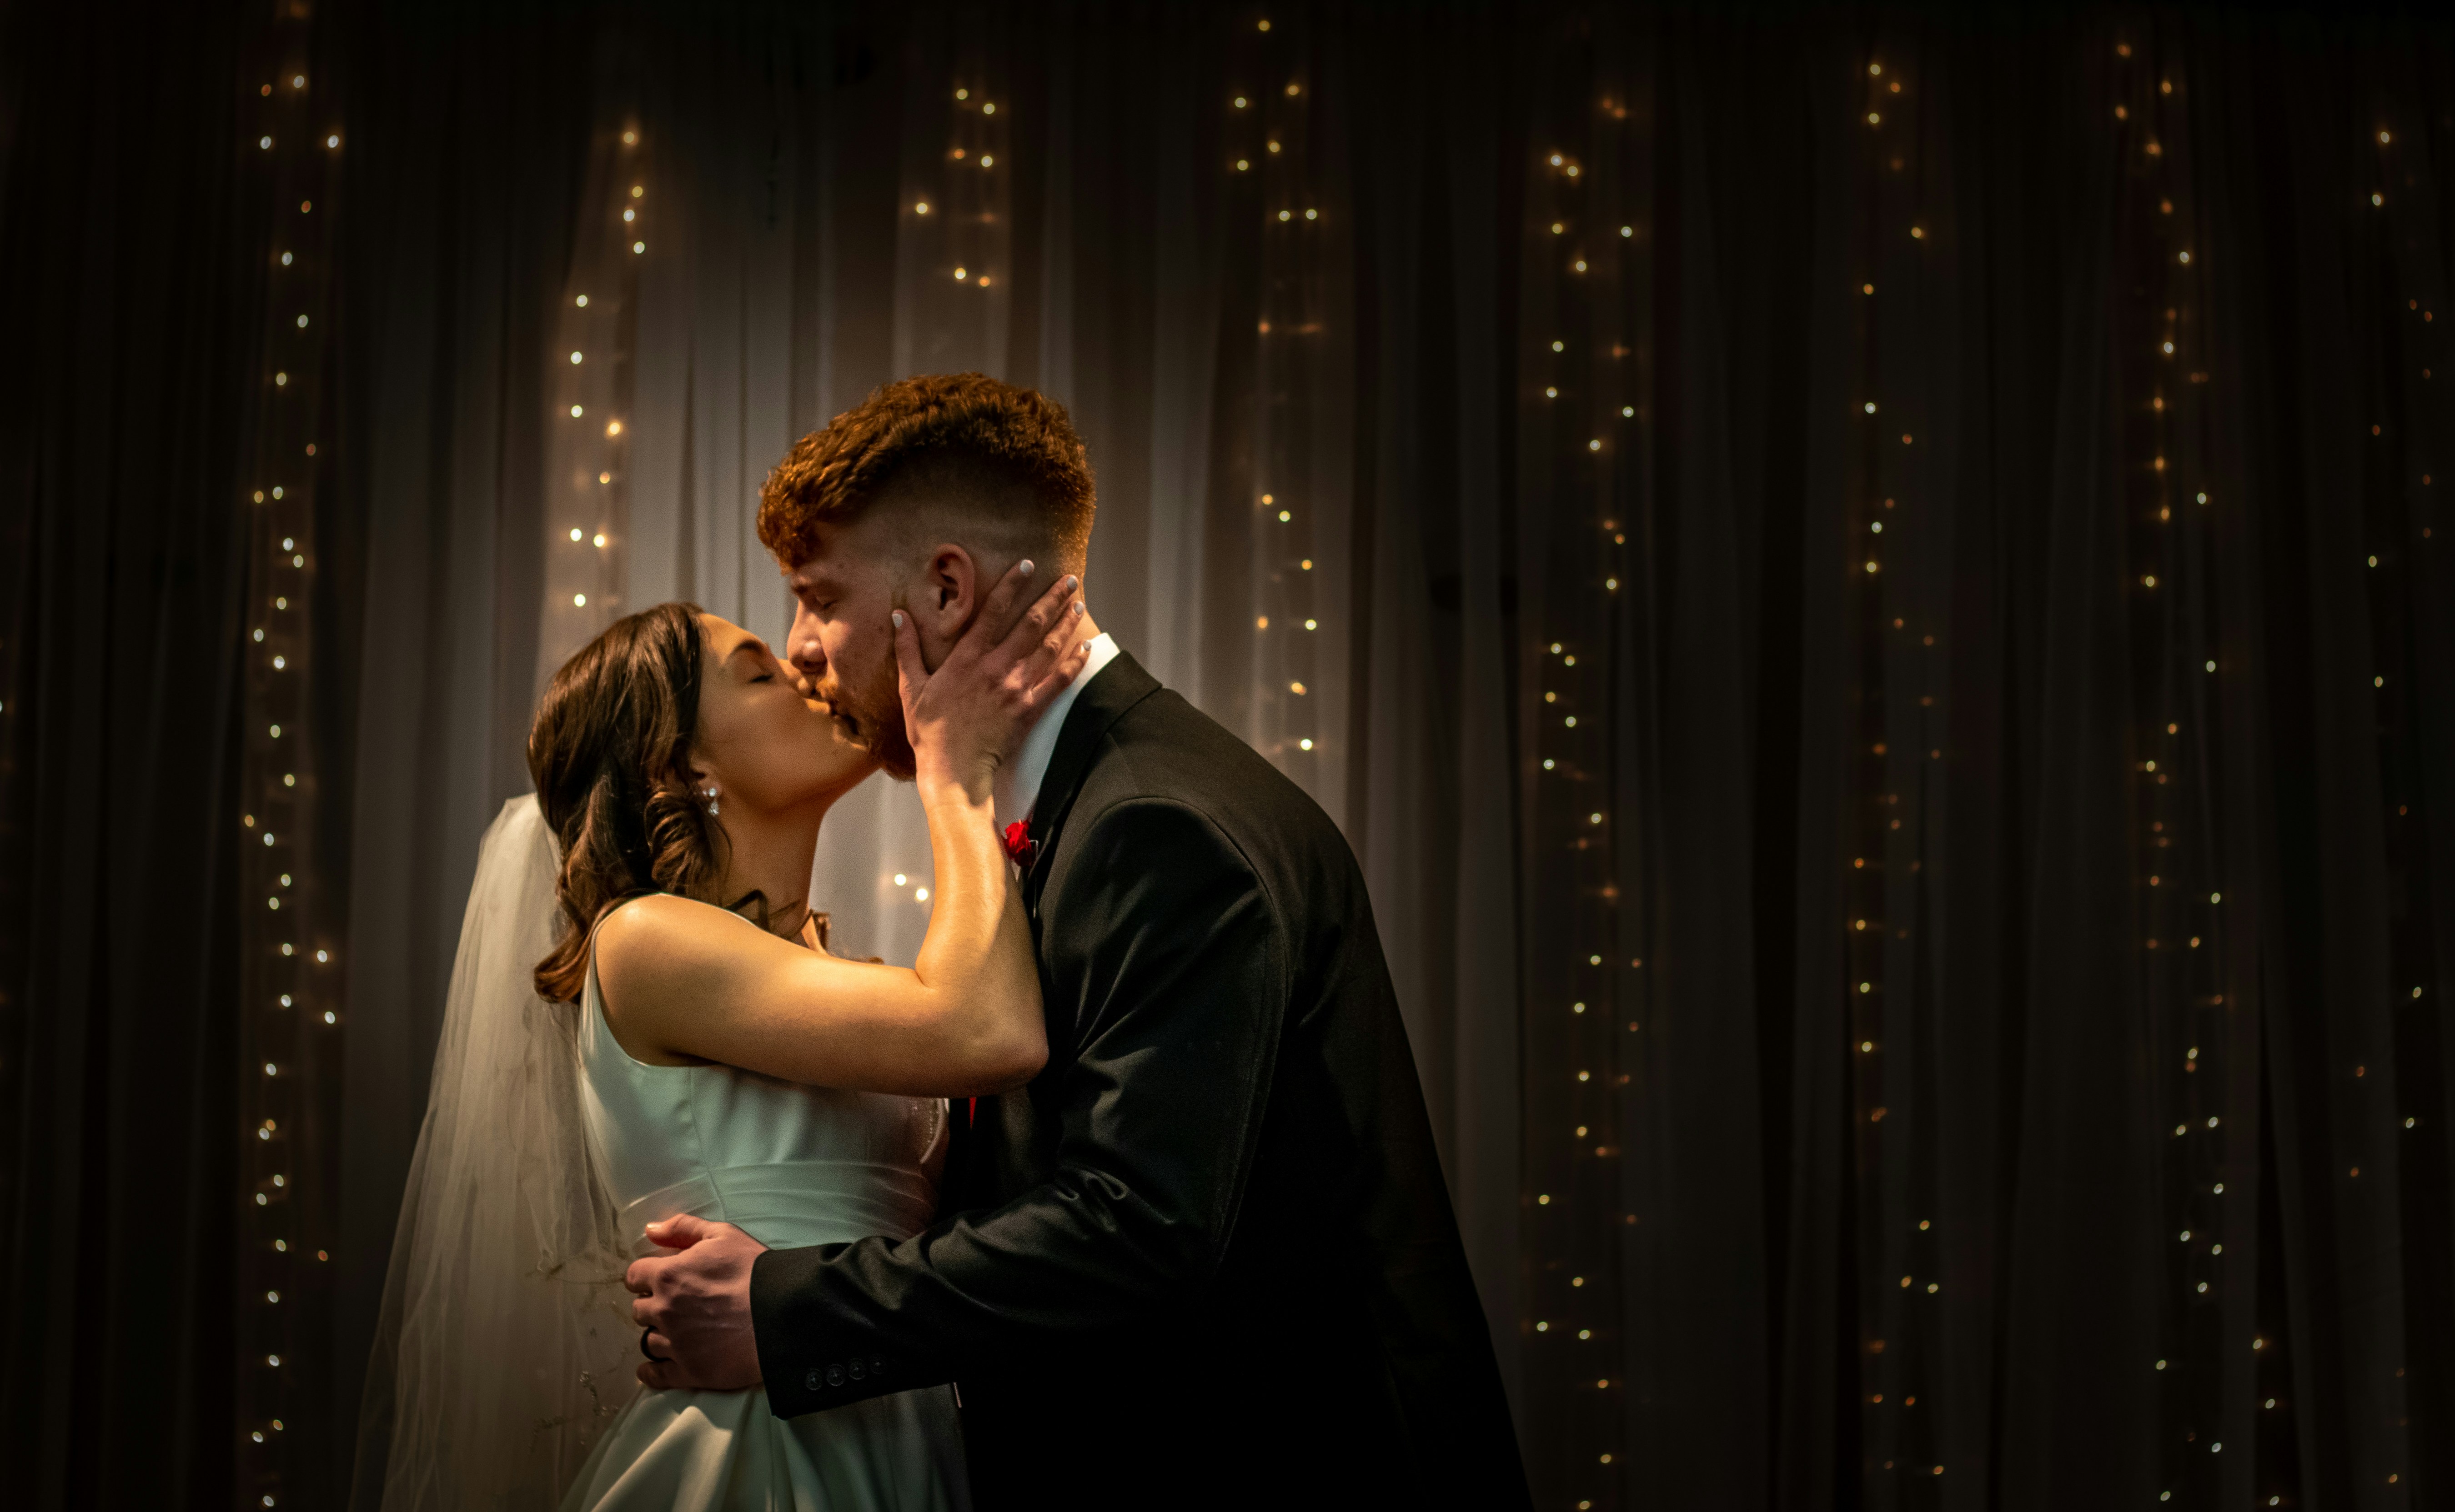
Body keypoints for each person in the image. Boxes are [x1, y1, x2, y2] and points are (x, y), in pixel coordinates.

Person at [628, 373, 1531, 1508]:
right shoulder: (1086, 796)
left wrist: (784, 1314)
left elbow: (1134, 1228)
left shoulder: (1156, 822)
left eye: (818, 598)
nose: (803, 647)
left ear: (946, 588)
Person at [354, 560, 1087, 1511]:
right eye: (757, 671)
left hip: (904, 1435)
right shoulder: (645, 938)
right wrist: (956, 778)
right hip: (762, 1456)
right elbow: (988, 1029)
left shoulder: (851, 984)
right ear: (682, 764)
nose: (807, 665)